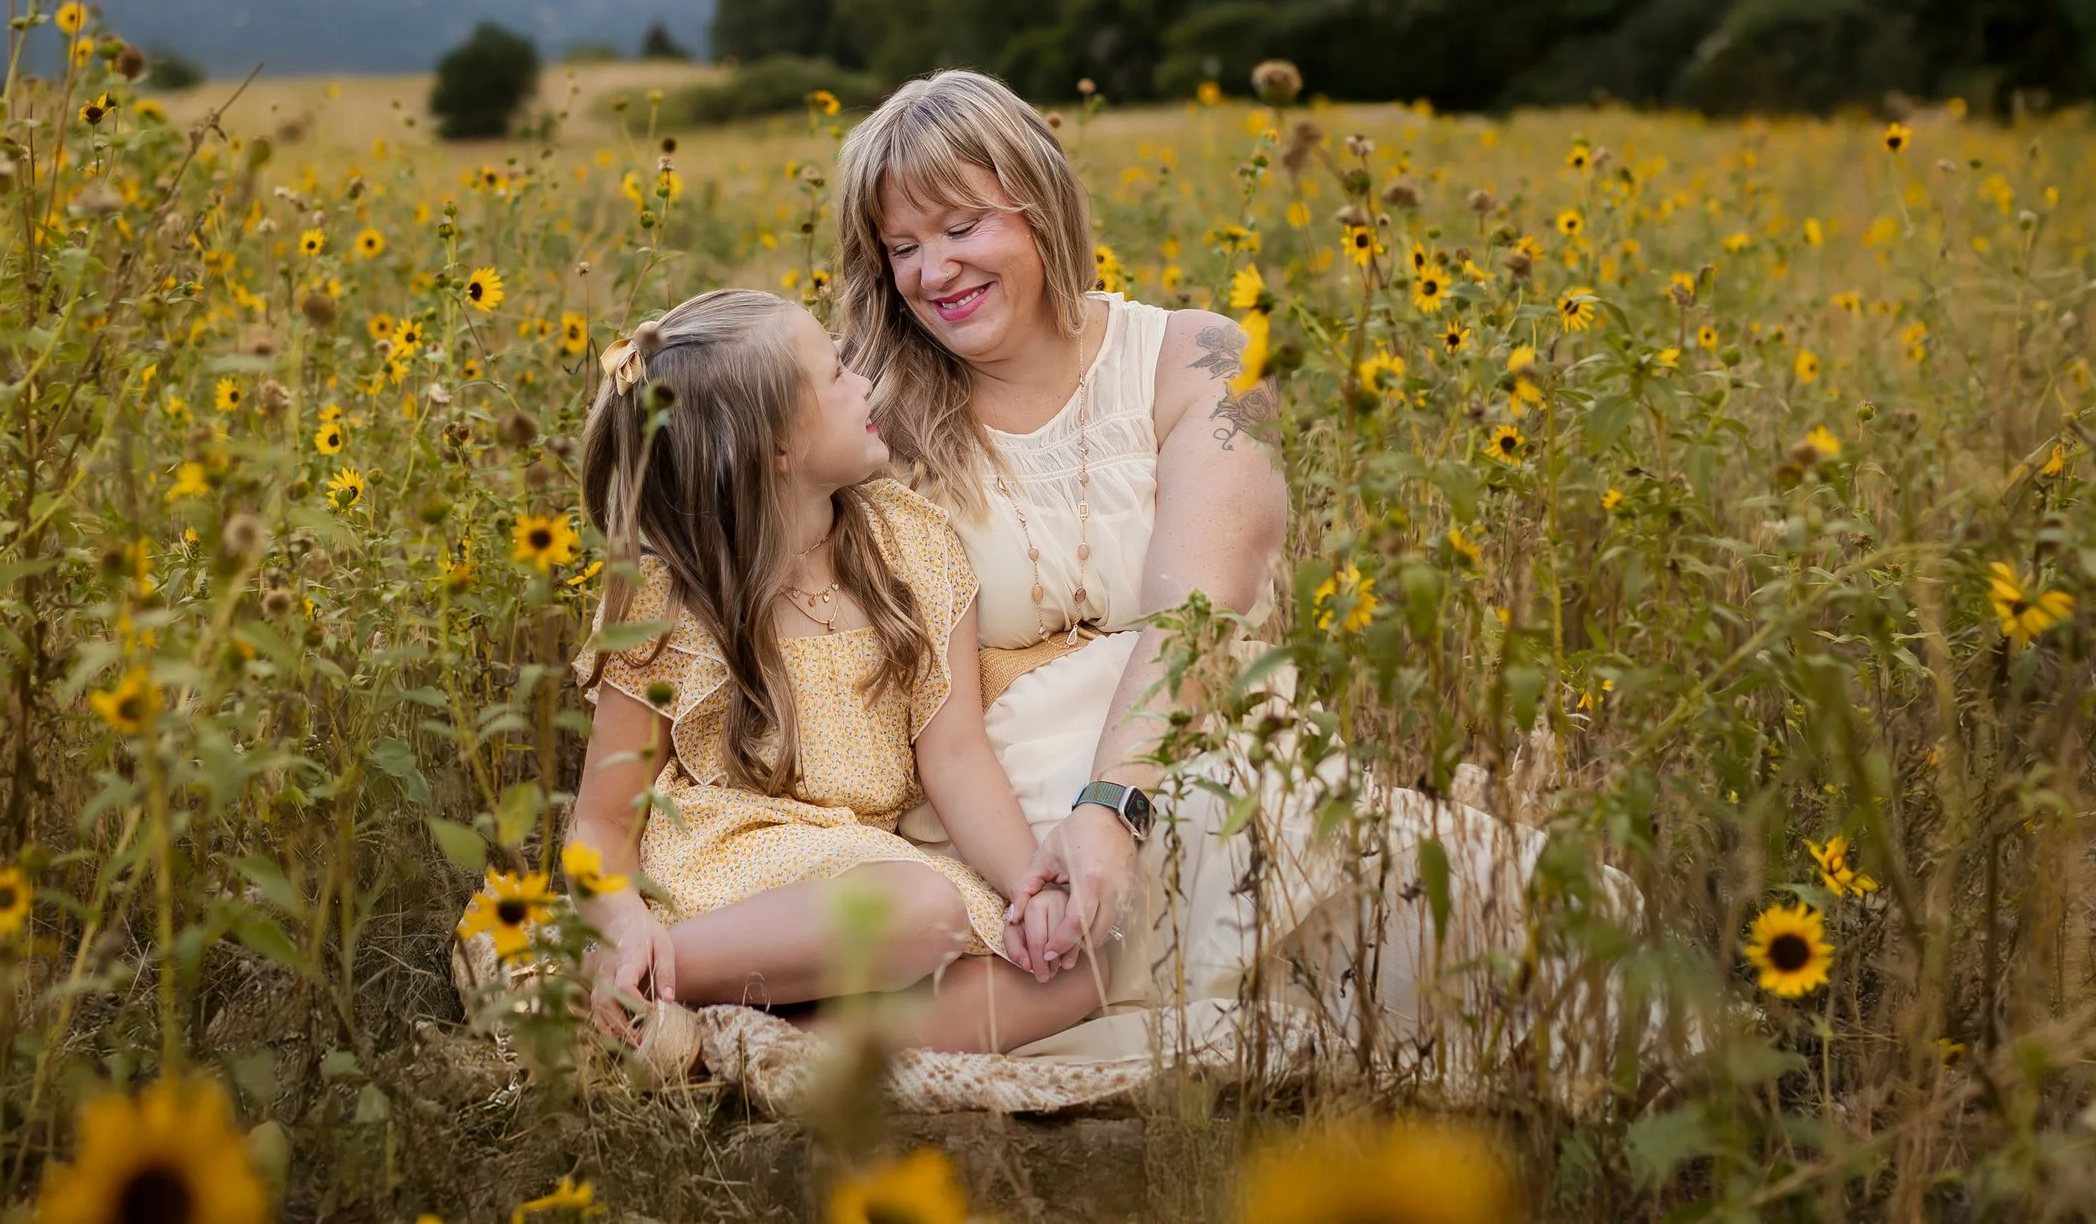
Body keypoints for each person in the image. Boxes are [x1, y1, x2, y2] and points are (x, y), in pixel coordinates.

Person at [839, 70, 1597, 1075]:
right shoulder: (869, 414)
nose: (934, 270)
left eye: (961, 225)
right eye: (901, 246)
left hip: (1197, 751)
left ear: (1040, 204)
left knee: (1550, 918)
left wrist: (1114, 805)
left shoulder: (1196, 356)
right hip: (1002, 802)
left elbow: (1197, 607)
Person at [560, 288, 1107, 1058]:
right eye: (835, 374)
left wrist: (1029, 882)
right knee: (922, 911)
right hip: (736, 878)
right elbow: (601, 819)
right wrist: (620, 919)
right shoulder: (672, 598)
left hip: (868, 865)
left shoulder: (907, 544)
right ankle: (639, 979)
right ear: (776, 448)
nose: (864, 382)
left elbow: (955, 754)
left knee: (1079, 969)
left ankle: (762, 1044)